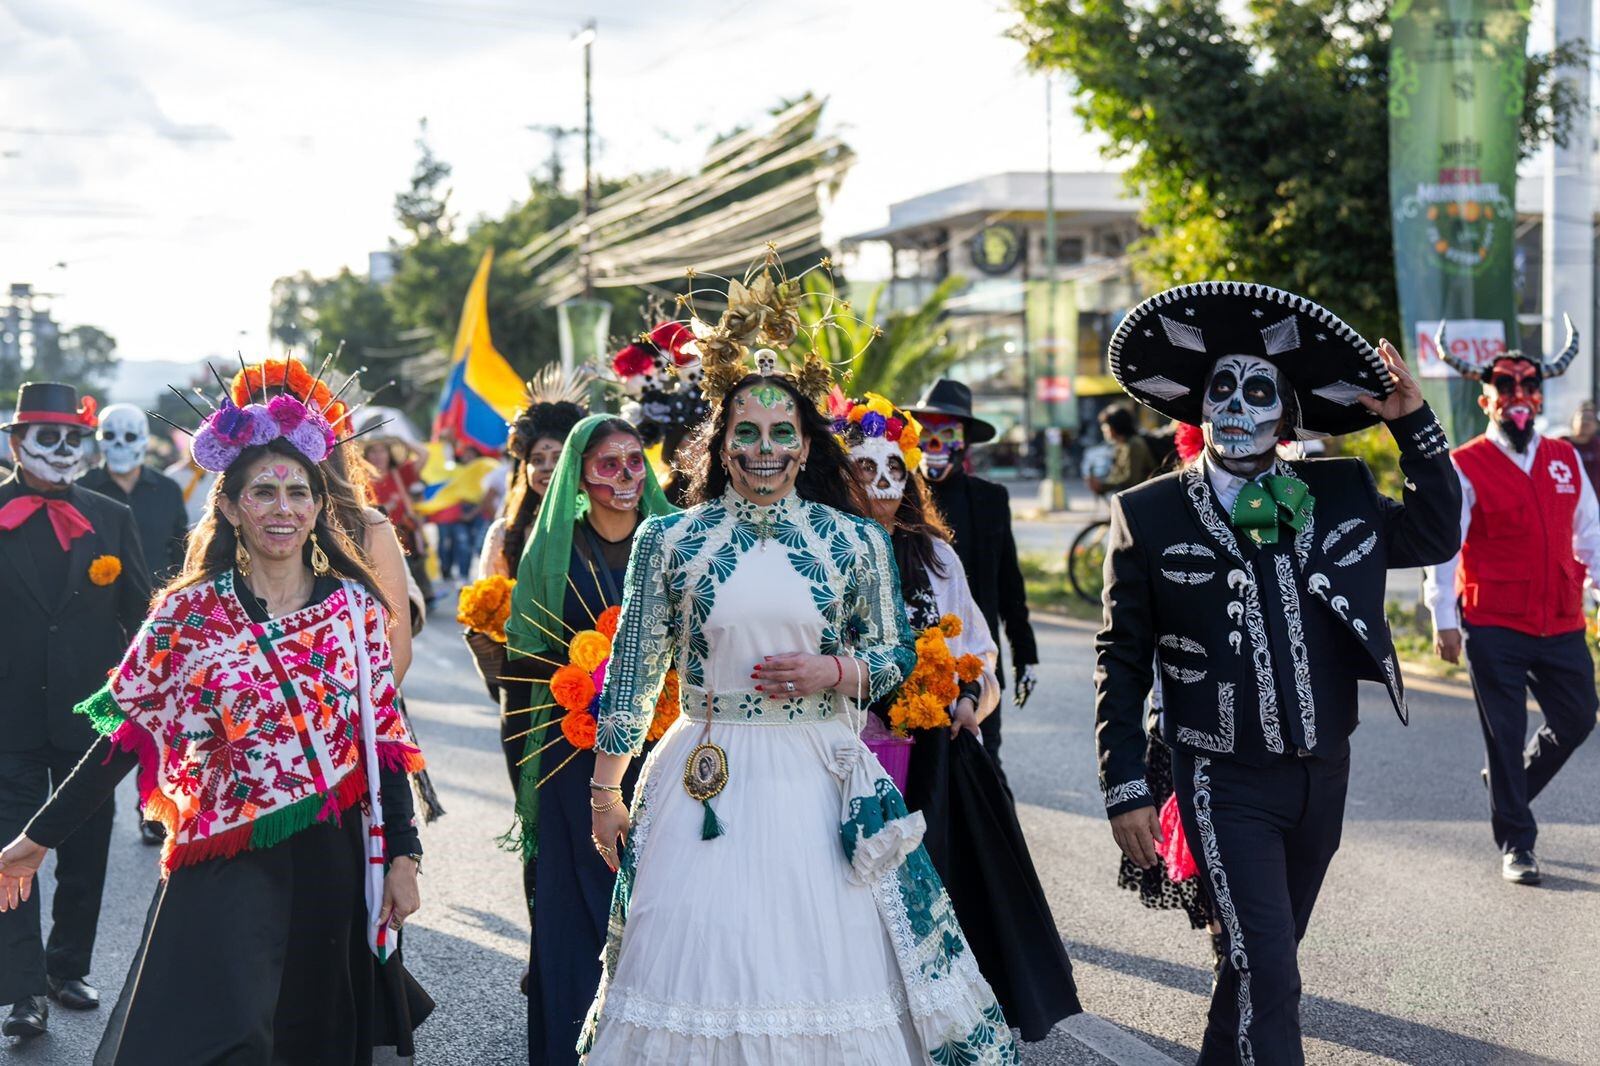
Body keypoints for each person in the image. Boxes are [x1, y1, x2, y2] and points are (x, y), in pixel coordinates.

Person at [582, 266, 1015, 1063]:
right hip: (704, 774)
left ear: (807, 443)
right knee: (703, 953)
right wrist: (607, 789)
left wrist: (837, 674)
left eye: (783, 433)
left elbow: (890, 656)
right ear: (720, 442)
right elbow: (636, 673)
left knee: (826, 965)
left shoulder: (856, 542)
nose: (764, 449)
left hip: (821, 772)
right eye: (745, 432)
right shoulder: (670, 541)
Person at [0, 385, 432, 1064]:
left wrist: (404, 855)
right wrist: (36, 839)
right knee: (218, 1031)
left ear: (320, 507)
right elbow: (121, 736)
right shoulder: (187, 615)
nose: (282, 508)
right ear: (229, 505)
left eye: (298, 492)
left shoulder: (355, 612)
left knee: (308, 1030)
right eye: (263, 492)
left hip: (330, 850)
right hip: (221, 852)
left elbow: (384, 740)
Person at [1096, 282, 1460, 1064]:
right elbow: (1121, 659)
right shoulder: (1149, 512)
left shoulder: (1339, 489)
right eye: (1219, 387)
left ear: (1286, 412)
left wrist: (1413, 426)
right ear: (1197, 406)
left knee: (1257, 962)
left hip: (1323, 772)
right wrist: (1126, 784)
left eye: (1257, 389)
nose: (1235, 404)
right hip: (1219, 778)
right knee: (1272, 969)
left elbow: (1435, 531)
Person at [841, 391, 1080, 1041]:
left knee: (939, 896)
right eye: (867, 469)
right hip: (842, 758)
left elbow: (976, 651)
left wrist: (970, 701)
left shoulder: (937, 556)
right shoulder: (821, 557)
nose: (884, 485)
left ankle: (944, 1027)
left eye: (895, 469)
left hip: (933, 759)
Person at [501, 414, 674, 1064]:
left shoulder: (672, 541)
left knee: (664, 899)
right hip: (572, 758)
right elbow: (520, 658)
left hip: (663, 755)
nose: (627, 478)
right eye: (609, 465)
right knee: (579, 906)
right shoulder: (553, 551)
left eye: (636, 462)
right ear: (581, 474)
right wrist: (582, 671)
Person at [0, 383, 150, 1039]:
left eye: (74, 439)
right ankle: (23, 992)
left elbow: (144, 619)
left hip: (94, 723)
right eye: (48, 438)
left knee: (87, 852)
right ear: (16, 442)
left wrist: (152, 698)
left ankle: (68, 968)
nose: (64, 451)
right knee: (12, 856)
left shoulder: (110, 516)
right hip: (8, 720)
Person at [1424, 320, 1597, 884]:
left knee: (1577, 717)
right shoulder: (1465, 463)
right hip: (1493, 621)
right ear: (1487, 399)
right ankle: (1517, 844)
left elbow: (1589, 534)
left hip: (1561, 618)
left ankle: (1507, 784)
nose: (1518, 400)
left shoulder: (1564, 459)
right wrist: (1443, 617)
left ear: (1538, 398)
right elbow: (1446, 546)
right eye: (1507, 390)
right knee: (1503, 730)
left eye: (1527, 390)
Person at [907, 379, 1038, 776]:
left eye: (946, 434)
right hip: (918, 664)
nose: (935, 445)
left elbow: (1009, 584)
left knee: (982, 766)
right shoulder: (901, 499)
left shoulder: (990, 498)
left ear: (963, 441)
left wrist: (1025, 654)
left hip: (975, 659)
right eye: (926, 434)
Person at [80, 403, 193, 845]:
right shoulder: (83, 489)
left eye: (130, 437)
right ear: (100, 439)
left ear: (144, 441)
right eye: (112, 436)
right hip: (97, 619)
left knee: (158, 715)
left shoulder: (166, 491)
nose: (120, 446)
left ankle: (152, 806)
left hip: (156, 619)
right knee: (104, 713)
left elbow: (181, 553)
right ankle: (86, 804)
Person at [1087, 404, 1157, 495]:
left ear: (1114, 427)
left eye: (1105, 425)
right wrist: (1101, 486)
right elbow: (1116, 475)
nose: (1103, 429)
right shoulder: (1120, 446)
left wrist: (1103, 486)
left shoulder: (1134, 444)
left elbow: (1131, 480)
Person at [1561, 398, 1600, 489]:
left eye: (1590, 419)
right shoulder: (1560, 445)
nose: (1586, 422)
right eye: (1583, 418)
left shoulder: (1597, 446)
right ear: (1573, 421)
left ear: (1597, 425)